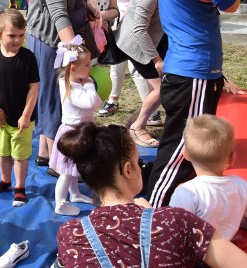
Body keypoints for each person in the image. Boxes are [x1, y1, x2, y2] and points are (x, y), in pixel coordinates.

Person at [148, 0, 241, 208]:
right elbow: (230, 1)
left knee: (181, 153)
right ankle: (147, 223)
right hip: (194, 71)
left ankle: (170, 218)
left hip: (190, 69)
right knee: (180, 155)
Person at [55, 122, 247, 268]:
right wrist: (156, 216)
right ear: (128, 170)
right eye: (139, 162)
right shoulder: (176, 221)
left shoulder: (70, 234)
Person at [25, 0, 98, 166]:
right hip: (50, 40)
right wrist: (76, 54)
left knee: (60, 95)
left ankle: (48, 152)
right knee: (52, 95)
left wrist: (85, 5)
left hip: (67, 38)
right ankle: (52, 155)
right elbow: (58, 13)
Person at [0, 9, 39, 207]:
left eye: (21, 35)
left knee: (20, 155)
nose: (17, 40)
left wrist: (26, 115)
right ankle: (5, 181)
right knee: (3, 152)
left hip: (23, 118)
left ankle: (19, 187)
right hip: (0, 118)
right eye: (12, 35)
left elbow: (34, 88)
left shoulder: (28, 58)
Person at [96, 0, 153, 120]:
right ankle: (113, 100)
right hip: (117, 22)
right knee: (116, 64)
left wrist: (121, 22)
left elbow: (139, 0)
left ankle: (150, 109)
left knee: (136, 67)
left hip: (133, 23)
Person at [170, 115, 247, 240]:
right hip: (229, 250)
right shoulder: (241, 185)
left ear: (185, 154)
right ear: (232, 158)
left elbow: (175, 230)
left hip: (197, 255)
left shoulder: (187, 192)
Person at [50, 38, 100, 215]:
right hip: (73, 134)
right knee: (66, 171)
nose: (90, 68)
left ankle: (75, 193)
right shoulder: (72, 87)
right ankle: (60, 204)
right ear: (73, 68)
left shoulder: (74, 82)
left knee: (72, 169)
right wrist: (90, 85)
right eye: (87, 65)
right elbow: (91, 102)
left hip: (80, 131)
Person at [115, 0, 165, 147]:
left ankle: (132, 123)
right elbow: (139, 30)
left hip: (154, 40)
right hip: (137, 44)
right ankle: (138, 127)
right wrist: (157, 60)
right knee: (162, 88)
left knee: (163, 87)